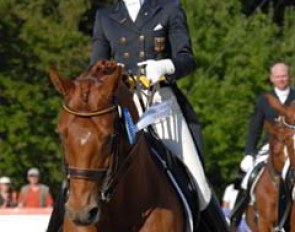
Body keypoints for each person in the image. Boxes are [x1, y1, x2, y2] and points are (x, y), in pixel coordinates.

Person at [90, 0, 228, 231]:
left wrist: (166, 66)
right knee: (81, 177)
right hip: (121, 105)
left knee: (200, 184)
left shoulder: (169, 9)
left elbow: (187, 58)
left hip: (159, 102)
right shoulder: (105, 16)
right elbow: (95, 67)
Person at [230, 62, 295, 228]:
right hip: (270, 147)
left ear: (290, 76)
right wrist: (249, 153)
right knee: (248, 178)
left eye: (284, 75)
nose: (281, 79)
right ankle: (235, 217)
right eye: (278, 76)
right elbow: (255, 129)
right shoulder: (263, 100)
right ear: (272, 78)